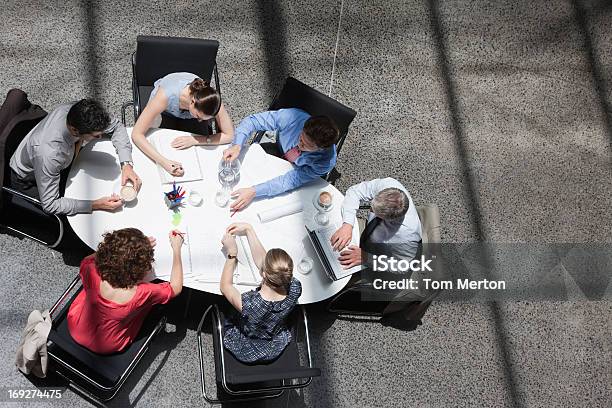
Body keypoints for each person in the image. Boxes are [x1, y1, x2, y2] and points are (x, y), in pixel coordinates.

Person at [9, 99, 140, 215]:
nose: (100, 137)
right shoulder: (50, 154)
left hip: (61, 159)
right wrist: (95, 205)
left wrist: (126, 164)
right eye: (96, 136)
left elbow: (116, 127)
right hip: (29, 179)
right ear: (75, 131)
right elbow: (50, 205)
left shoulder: (79, 111)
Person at [67, 228, 184, 354]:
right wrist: (176, 248)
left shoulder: (90, 270)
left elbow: (91, 258)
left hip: (77, 329)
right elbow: (175, 288)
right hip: (109, 345)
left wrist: (124, 251)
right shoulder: (143, 292)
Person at [222, 109, 339, 211]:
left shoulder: (325, 162)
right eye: (301, 137)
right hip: (277, 147)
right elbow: (252, 121)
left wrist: (255, 191)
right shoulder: (292, 117)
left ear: (321, 148)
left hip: (296, 169)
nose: (299, 144)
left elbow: (291, 180)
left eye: (306, 145)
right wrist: (237, 145)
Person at [220, 222, 302, 363]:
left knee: (225, 309)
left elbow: (225, 286)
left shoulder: (250, 304)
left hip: (247, 348)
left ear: (263, 274)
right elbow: (266, 265)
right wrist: (249, 230)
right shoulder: (295, 287)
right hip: (274, 345)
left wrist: (232, 254)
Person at [131, 72, 234, 177]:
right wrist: (163, 162)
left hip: (188, 115)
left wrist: (196, 140)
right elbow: (136, 134)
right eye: (198, 116)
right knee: (159, 144)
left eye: (205, 119)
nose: (200, 121)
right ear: (193, 101)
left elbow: (229, 135)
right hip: (164, 112)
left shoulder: (211, 101)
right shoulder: (164, 96)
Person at [330, 177, 422, 268]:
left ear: (389, 219)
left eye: (375, 212)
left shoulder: (407, 236)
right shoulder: (389, 184)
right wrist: (347, 225)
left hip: (380, 253)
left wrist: (366, 258)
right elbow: (355, 191)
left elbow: (403, 265)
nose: (370, 209)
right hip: (368, 232)